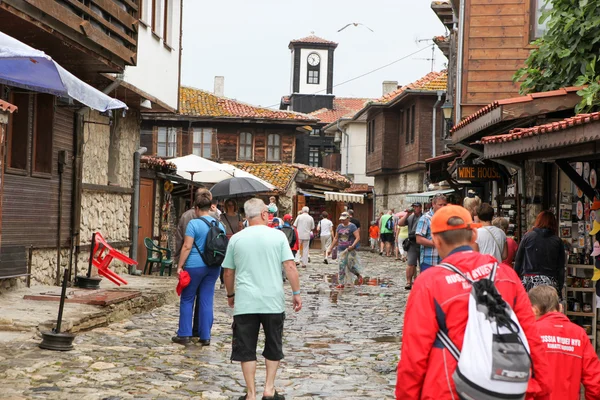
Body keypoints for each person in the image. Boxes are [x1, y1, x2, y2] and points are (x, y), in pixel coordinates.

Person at [395, 205, 551, 399]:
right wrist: (541, 390)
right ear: (474, 235)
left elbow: (414, 355)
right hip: (503, 387)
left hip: (448, 388)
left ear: (436, 240)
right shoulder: (505, 275)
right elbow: (531, 338)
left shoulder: (429, 282)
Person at [222, 198, 302, 400]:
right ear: (265, 215)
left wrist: (231, 294)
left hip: (246, 302)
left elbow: (228, 272)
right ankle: (269, 388)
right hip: (272, 300)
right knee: (273, 344)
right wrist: (296, 293)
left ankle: (251, 393)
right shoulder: (278, 237)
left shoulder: (236, 239)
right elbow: (290, 267)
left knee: (246, 347)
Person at [526, 285, 600, 400]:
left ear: (534, 309)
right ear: (560, 307)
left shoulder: (531, 332)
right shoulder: (579, 334)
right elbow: (595, 382)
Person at [172, 189, 225, 345]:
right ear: (210, 207)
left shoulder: (193, 224)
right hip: (214, 266)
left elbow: (187, 246)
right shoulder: (219, 225)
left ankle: (184, 334)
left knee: (187, 298)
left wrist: (180, 266)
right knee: (207, 300)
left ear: (196, 208)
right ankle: (205, 336)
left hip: (194, 266)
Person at [514, 210, 565, 295]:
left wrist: (516, 281)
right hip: (549, 282)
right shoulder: (557, 241)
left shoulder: (528, 237)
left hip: (529, 281)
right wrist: (559, 287)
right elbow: (560, 268)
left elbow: (518, 261)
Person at [328, 212, 363, 289]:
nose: (342, 221)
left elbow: (357, 237)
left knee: (350, 266)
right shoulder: (339, 226)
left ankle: (358, 275)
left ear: (348, 219)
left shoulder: (352, 226)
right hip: (341, 249)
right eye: (341, 220)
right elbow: (336, 238)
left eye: (344, 220)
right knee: (341, 265)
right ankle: (341, 283)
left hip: (350, 250)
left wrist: (353, 245)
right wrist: (330, 248)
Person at [415, 194, 447, 272]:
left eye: (444, 205)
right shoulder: (425, 218)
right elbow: (418, 239)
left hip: (443, 261)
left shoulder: (446, 218)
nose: (442, 207)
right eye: (440, 205)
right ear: (433, 204)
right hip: (429, 260)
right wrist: (435, 244)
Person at [399, 203, 423, 290]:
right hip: (412, 243)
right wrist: (407, 215)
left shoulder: (424, 217)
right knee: (411, 263)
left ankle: (421, 281)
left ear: (420, 208)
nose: (415, 209)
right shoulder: (410, 217)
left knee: (422, 264)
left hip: (422, 243)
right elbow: (400, 223)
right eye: (414, 207)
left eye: (417, 207)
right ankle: (408, 282)